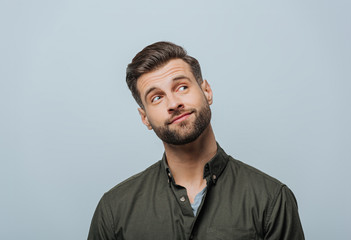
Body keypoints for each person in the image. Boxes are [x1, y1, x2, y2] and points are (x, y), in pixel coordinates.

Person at [88, 41, 305, 240]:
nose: (173, 103)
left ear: (207, 91)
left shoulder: (272, 200)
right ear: (145, 118)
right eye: (157, 97)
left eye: (182, 87)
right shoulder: (114, 210)